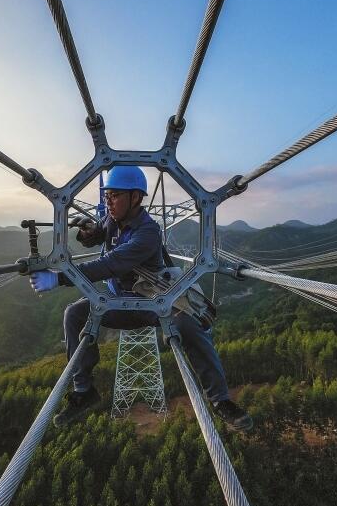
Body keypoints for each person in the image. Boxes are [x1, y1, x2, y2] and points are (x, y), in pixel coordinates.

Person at [29, 166, 253, 431]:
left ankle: (221, 400)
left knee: (189, 325)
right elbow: (101, 235)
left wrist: (59, 277)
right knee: (74, 314)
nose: (108, 202)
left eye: (114, 195)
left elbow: (111, 263)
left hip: (152, 303)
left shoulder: (148, 233)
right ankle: (84, 389)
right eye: (107, 196)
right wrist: (90, 232)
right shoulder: (114, 219)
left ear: (135, 198)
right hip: (116, 302)